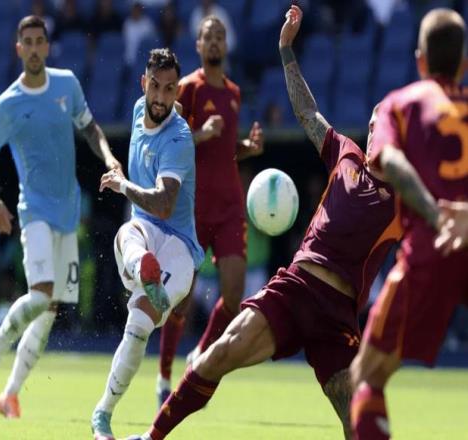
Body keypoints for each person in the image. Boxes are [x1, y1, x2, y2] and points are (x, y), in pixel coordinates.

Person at [124, 5, 401, 440]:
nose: (379, 131)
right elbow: (308, 113)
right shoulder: (345, 154)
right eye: (376, 122)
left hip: (338, 316)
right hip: (295, 287)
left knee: (357, 418)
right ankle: (150, 437)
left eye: (388, 127)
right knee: (217, 355)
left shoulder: (404, 198)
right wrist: (286, 51)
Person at [0, 15, 122, 418]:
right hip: (33, 210)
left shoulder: (66, 85)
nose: (35, 48)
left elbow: (90, 128)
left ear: (47, 46)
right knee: (40, 294)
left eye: (40, 41)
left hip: (68, 213)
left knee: (50, 308)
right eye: (28, 42)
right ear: (18, 49)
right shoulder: (8, 103)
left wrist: (108, 158)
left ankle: (10, 393)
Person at [350, 8, 468, 440]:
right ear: (463, 64)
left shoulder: (400, 104)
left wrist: (435, 214)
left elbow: (391, 162)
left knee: (365, 377)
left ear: (420, 60)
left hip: (430, 249)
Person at [90, 48, 204, 440]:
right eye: (155, 86)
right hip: (143, 235)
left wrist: (122, 185)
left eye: (170, 89)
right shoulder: (141, 108)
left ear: (177, 92)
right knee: (129, 233)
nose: (160, 97)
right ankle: (102, 418)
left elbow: (165, 203)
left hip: (179, 248)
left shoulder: (180, 138)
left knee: (139, 325)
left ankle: (102, 412)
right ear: (144, 84)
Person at [155, 14, 264, 406]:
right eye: (208, 37)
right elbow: (169, 141)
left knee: (233, 295)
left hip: (230, 205)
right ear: (198, 45)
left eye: (220, 36)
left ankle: (199, 354)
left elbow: (226, 150)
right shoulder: (189, 88)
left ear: (226, 44)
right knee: (182, 299)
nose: (215, 41)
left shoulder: (234, 92)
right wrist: (201, 132)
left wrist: (247, 149)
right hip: (195, 207)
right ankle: (163, 376)